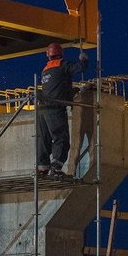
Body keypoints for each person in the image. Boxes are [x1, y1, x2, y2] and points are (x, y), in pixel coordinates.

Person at [37, 43, 88, 177]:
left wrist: (71, 91)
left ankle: (42, 167)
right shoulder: (62, 64)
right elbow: (80, 68)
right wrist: (83, 59)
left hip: (42, 109)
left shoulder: (45, 69)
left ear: (48, 55)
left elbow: (57, 85)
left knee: (44, 138)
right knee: (61, 137)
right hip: (55, 108)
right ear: (61, 54)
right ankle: (56, 167)